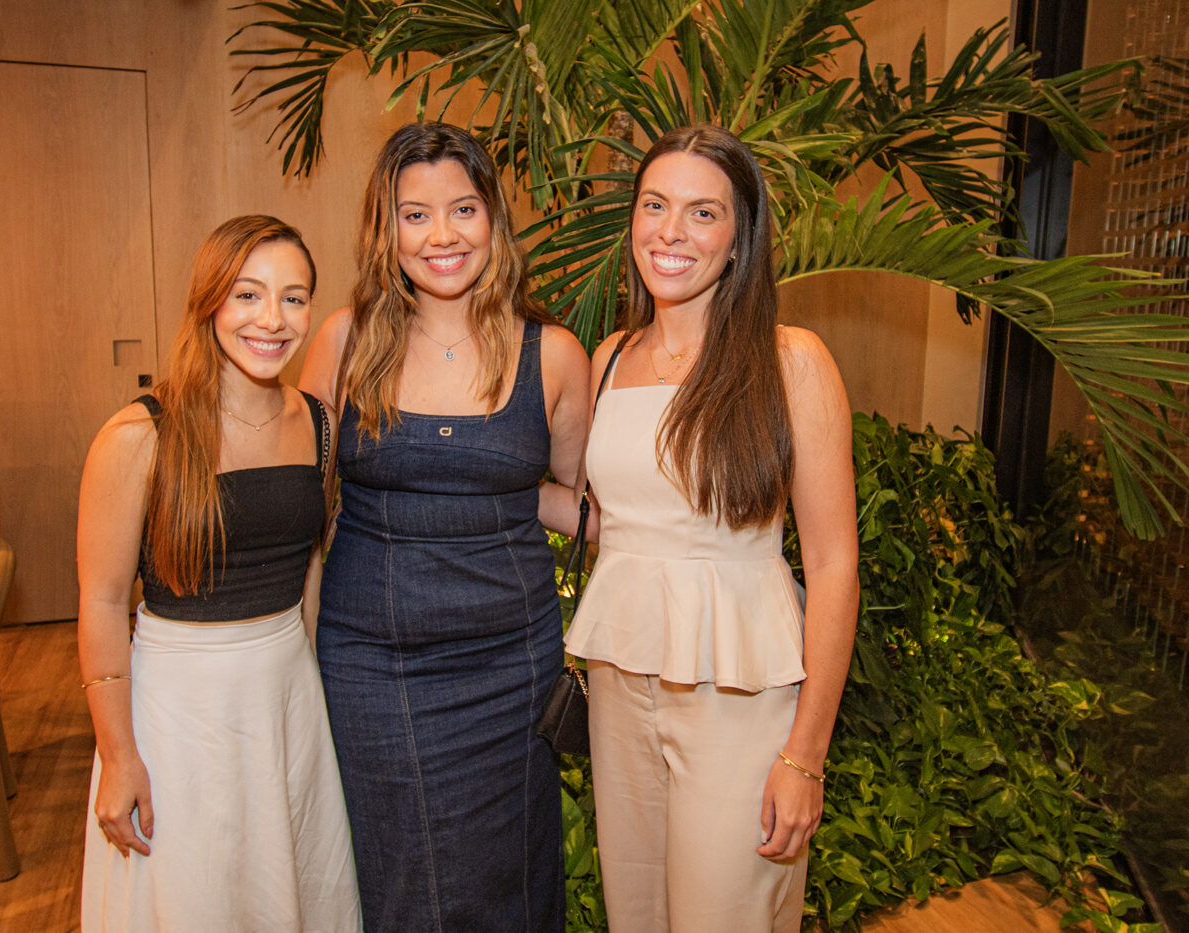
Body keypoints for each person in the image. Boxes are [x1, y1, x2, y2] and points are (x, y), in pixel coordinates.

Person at [563, 126, 859, 932]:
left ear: (739, 239)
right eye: (655, 205)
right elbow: (611, 520)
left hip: (741, 696)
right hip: (620, 686)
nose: (671, 231)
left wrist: (805, 755)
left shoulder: (791, 360)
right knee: (637, 911)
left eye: (703, 213)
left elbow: (833, 566)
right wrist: (469, 485)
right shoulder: (611, 356)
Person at [299, 122, 590, 932]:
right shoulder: (344, 340)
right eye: (415, 214)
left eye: (463, 208)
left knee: (512, 866)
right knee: (401, 871)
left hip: (512, 663)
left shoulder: (555, 354)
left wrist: (685, 529)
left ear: (494, 217)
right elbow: (304, 506)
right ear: (384, 229)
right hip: (372, 660)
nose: (442, 235)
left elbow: (573, 498)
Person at [77, 216, 360, 931]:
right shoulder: (139, 435)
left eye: (294, 298)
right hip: (179, 707)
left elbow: (310, 567)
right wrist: (118, 756)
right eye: (248, 295)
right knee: (195, 896)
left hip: (286, 694)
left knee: (288, 884)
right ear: (209, 303)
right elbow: (104, 602)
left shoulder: (320, 425)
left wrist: (312, 687)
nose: (273, 319)